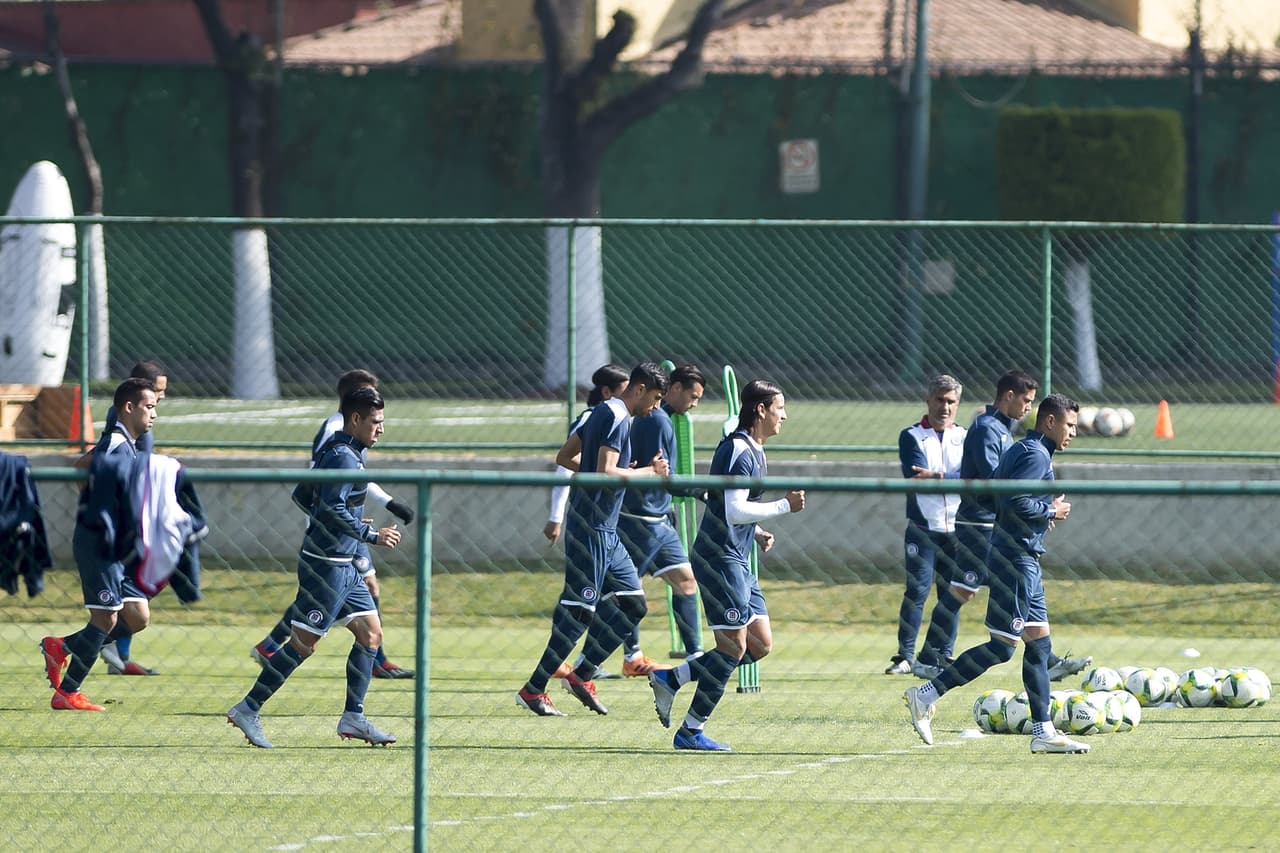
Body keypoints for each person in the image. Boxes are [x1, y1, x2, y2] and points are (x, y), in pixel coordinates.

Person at [905, 393, 1091, 754]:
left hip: (1024, 559)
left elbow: (1002, 497)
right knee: (1003, 648)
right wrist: (1050, 511)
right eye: (1069, 425)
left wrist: (1038, 513)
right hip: (1016, 561)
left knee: (1039, 645)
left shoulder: (1024, 450)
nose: (1073, 433)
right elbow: (1013, 501)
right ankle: (926, 693)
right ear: (1049, 422)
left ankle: (1043, 732)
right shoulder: (1035, 454)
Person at [227, 387, 402, 748]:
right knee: (303, 646)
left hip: (344, 565)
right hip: (327, 568)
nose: (381, 429)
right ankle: (248, 708)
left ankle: (354, 717)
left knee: (371, 635)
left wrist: (345, 520)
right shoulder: (344, 458)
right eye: (375, 422)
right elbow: (328, 508)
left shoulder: (339, 450)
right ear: (356, 419)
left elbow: (304, 497)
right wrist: (366, 532)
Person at [647, 379, 805, 751]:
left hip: (736, 557)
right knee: (733, 648)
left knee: (760, 644)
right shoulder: (739, 449)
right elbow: (734, 510)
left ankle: (673, 678)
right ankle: (690, 732)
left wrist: (758, 530)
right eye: (780, 407)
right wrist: (784, 506)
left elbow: (726, 504)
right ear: (761, 409)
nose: (785, 415)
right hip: (719, 559)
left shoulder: (754, 449)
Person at [515, 362, 670, 717]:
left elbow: (565, 457)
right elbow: (605, 472)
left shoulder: (599, 413)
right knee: (579, 612)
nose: (656, 407)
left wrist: (611, 474)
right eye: (656, 398)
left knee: (634, 604)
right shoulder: (619, 417)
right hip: (592, 528)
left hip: (607, 529)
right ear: (641, 389)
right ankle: (534, 689)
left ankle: (582, 674)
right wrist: (650, 472)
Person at [251, 369, 417, 679]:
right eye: (372, 408)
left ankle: (366, 671)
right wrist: (351, 524)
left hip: (341, 527)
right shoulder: (337, 436)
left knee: (346, 594)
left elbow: (344, 484)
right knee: (325, 606)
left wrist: (375, 508)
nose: (380, 422)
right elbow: (321, 489)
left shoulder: (351, 439)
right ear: (355, 410)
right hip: (332, 535)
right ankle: (260, 683)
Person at [40, 378, 159, 710]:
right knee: (105, 619)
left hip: (121, 548)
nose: (154, 415)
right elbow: (83, 469)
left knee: (136, 616)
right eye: (150, 407)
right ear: (129, 407)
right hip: (101, 545)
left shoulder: (127, 444)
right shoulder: (115, 445)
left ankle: (61, 647)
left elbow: (84, 467)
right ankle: (67, 692)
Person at [616, 364, 707, 672]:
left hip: (660, 520)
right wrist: (703, 491)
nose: (694, 404)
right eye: (692, 396)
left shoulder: (659, 419)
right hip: (640, 518)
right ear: (674, 389)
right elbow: (663, 475)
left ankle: (694, 655)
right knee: (626, 594)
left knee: (686, 581)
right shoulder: (657, 421)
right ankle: (628, 657)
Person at [542, 363, 629, 680]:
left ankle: (587, 661)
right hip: (588, 519)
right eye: (626, 388)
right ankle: (562, 665)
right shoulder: (597, 418)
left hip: (603, 522)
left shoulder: (614, 417)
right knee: (582, 599)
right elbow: (566, 465)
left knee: (618, 597)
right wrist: (556, 516)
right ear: (608, 392)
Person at [885, 375, 966, 678]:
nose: (944, 407)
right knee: (917, 590)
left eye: (951, 402)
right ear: (929, 400)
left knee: (952, 592)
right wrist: (954, 478)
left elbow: (973, 478)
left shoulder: (965, 437)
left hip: (957, 528)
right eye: (939, 400)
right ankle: (905, 655)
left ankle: (943, 654)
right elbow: (917, 478)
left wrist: (937, 476)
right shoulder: (912, 436)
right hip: (923, 526)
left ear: (957, 404)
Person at [98, 360, 167, 675]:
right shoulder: (123, 432)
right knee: (122, 611)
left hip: (133, 530)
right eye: (157, 393)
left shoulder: (139, 427)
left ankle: (115, 655)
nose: (160, 402)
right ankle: (85, 652)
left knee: (134, 607)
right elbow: (95, 467)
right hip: (114, 538)